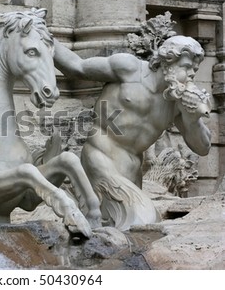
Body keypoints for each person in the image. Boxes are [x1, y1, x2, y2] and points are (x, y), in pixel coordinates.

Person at [54, 35, 212, 230]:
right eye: (186, 67)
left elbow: (203, 148)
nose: (191, 75)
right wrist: (44, 37)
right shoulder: (130, 69)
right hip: (100, 157)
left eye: (195, 70)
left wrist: (193, 118)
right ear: (167, 61)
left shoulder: (176, 102)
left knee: (120, 229)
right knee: (142, 220)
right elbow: (76, 66)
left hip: (133, 173)